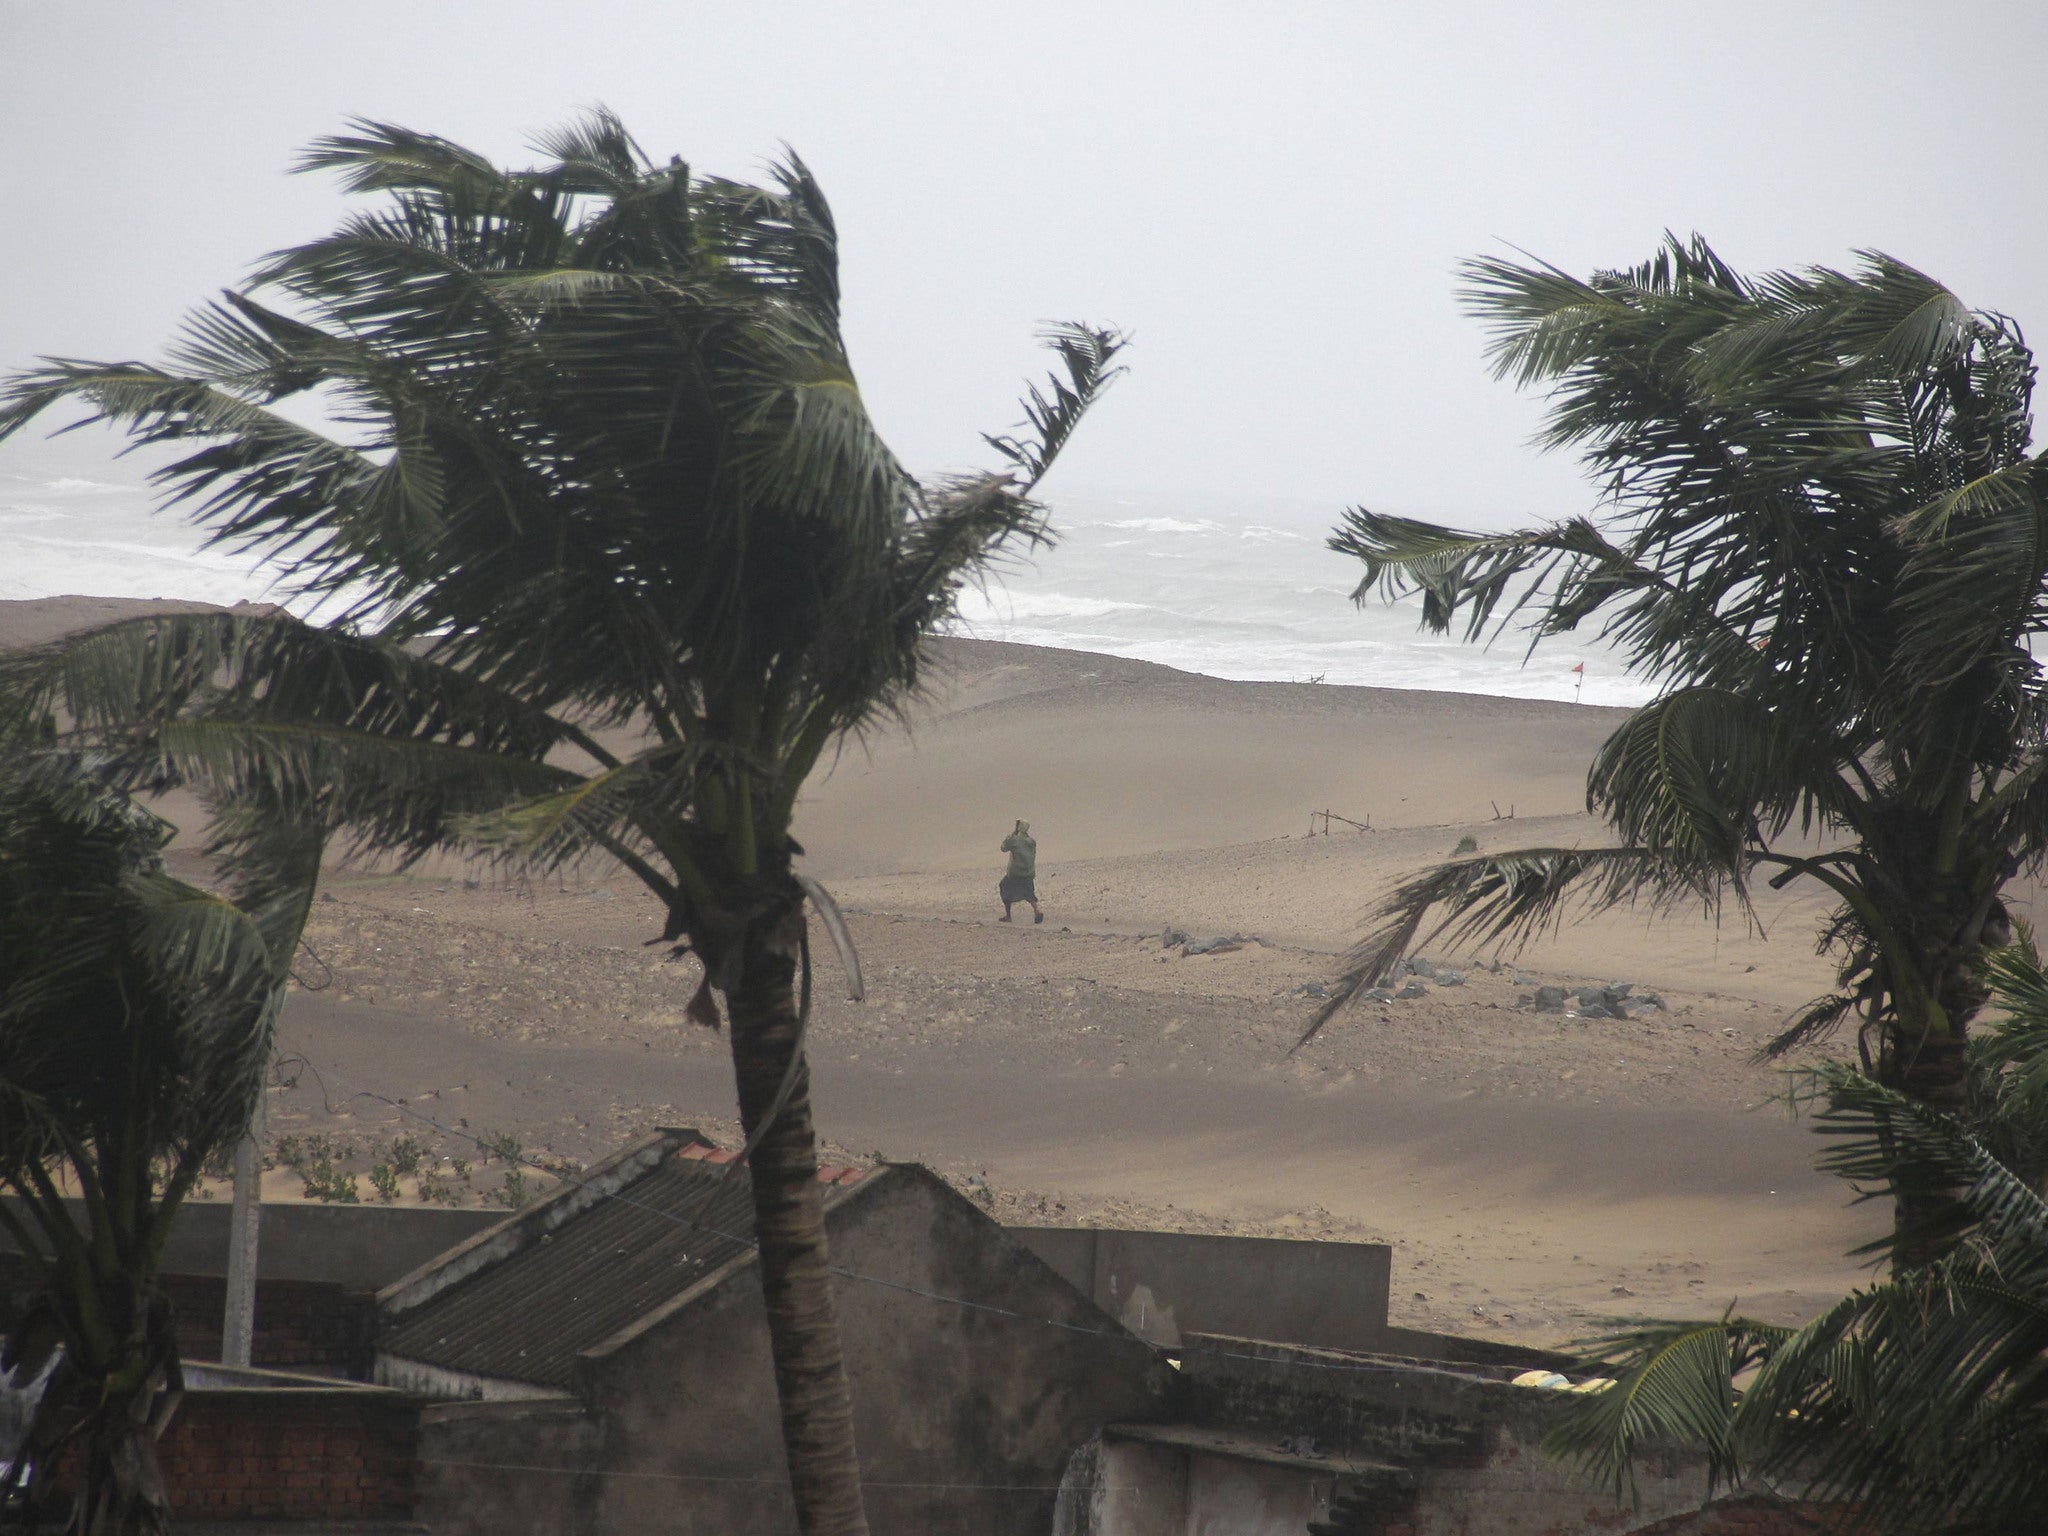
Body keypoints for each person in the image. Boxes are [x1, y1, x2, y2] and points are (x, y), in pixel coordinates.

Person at [998, 819, 1042, 924]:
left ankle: (1008, 916)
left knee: (1004, 888)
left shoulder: (1014, 840)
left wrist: (1012, 835)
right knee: (1029, 893)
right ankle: (1037, 910)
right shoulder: (1031, 841)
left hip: (1015, 872)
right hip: (1028, 872)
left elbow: (1003, 848)